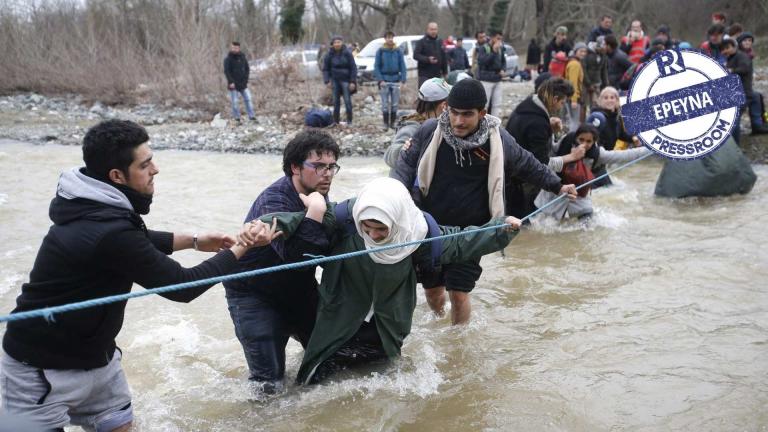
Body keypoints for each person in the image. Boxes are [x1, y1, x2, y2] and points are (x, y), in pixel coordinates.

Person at [0, 120, 279, 432]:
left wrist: (195, 240)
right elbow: (182, 287)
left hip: (97, 359)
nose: (155, 169)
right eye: (145, 165)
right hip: (37, 370)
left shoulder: (94, 204)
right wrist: (243, 246)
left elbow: (136, 238)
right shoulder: (107, 229)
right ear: (117, 176)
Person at [242, 178, 522, 384]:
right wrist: (264, 225)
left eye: (381, 230)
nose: (374, 236)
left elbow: (461, 241)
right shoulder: (343, 220)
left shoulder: (418, 234)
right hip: (337, 324)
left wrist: (501, 229)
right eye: (368, 228)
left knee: (382, 390)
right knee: (313, 389)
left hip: (385, 330)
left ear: (398, 221)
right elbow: (294, 220)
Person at [393, 78, 577, 324]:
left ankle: (458, 347)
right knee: (433, 291)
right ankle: (439, 327)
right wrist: (391, 198)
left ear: (482, 113)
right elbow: (403, 168)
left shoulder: (498, 139)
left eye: (467, 115)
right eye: (454, 112)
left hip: (474, 231)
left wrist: (558, 185)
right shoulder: (429, 131)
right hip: (431, 227)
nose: (458, 121)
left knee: (459, 293)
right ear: (446, 107)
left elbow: (527, 164)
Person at [223, 130, 341, 394]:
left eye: (332, 166)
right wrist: (315, 212)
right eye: (319, 166)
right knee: (269, 385)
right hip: (254, 295)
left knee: (326, 366)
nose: (328, 173)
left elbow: (324, 249)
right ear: (295, 168)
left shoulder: (317, 194)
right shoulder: (273, 201)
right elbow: (296, 257)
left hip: (298, 290)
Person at [534, 123, 650, 221]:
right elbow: (550, 153)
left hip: (579, 192)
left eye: (589, 141)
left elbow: (625, 155)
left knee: (587, 221)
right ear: (576, 138)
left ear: (594, 141)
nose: (584, 144)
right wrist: (551, 131)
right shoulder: (567, 140)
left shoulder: (598, 154)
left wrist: (651, 148)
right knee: (543, 222)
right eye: (581, 140)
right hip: (555, 189)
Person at [506, 77, 580, 218]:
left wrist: (549, 129)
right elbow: (541, 164)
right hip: (520, 182)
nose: (561, 107)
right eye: (562, 102)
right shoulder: (538, 123)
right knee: (525, 224)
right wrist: (571, 157)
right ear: (554, 99)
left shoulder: (529, 105)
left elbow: (527, 140)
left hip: (511, 175)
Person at [384, 78, 451, 176]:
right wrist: (409, 149)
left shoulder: (438, 125)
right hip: (407, 188)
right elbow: (389, 156)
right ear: (444, 106)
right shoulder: (412, 128)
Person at [374, 30, 407, 130]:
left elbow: (403, 66)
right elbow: (377, 66)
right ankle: (385, 123)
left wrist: (403, 80)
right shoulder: (380, 51)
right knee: (385, 104)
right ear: (385, 39)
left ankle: (392, 123)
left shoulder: (398, 51)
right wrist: (380, 80)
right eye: (388, 37)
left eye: (391, 37)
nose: (390, 39)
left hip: (396, 80)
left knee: (394, 104)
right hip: (384, 80)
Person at [323, 36, 358, 125]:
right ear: (333, 44)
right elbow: (325, 69)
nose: (337, 44)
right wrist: (327, 81)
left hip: (346, 80)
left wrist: (353, 81)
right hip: (334, 80)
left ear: (342, 43)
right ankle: (336, 121)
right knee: (336, 102)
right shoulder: (329, 55)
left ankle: (349, 121)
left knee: (347, 101)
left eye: (339, 42)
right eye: (335, 42)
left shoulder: (348, 53)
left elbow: (353, 68)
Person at [477, 30, 507, 117]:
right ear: (492, 38)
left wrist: (503, 70)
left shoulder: (501, 48)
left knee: (496, 104)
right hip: (487, 80)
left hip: (498, 79)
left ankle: (494, 125)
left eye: (501, 39)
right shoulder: (484, 48)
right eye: (498, 38)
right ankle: (483, 123)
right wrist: (493, 51)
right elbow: (482, 62)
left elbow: (503, 61)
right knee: (485, 105)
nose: (499, 41)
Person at [224, 41, 255, 123]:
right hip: (233, 85)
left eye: (236, 48)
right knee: (235, 102)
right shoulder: (228, 59)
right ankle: (237, 118)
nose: (235, 49)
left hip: (243, 84)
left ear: (239, 48)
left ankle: (252, 117)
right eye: (233, 47)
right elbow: (227, 71)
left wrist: (246, 80)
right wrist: (231, 82)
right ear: (231, 48)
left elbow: (247, 69)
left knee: (248, 99)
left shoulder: (242, 57)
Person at [414, 22, 448, 87]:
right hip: (425, 75)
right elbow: (416, 55)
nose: (433, 31)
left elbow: (444, 58)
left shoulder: (440, 41)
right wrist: (428, 59)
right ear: (427, 30)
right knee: (424, 95)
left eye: (435, 29)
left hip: (437, 74)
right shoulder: (421, 42)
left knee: (437, 95)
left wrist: (445, 72)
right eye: (431, 29)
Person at [564, 42, 588, 131]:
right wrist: (574, 100)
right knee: (574, 123)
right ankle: (572, 140)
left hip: (571, 97)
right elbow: (572, 83)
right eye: (581, 51)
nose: (583, 53)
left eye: (585, 51)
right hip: (573, 98)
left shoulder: (574, 62)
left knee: (572, 121)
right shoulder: (575, 64)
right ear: (575, 51)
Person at [583, 37, 609, 111]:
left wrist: (606, 84)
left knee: (596, 103)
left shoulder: (603, 56)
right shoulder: (588, 54)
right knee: (585, 104)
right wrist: (588, 83)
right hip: (586, 83)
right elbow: (584, 69)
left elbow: (604, 71)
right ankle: (583, 121)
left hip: (597, 83)